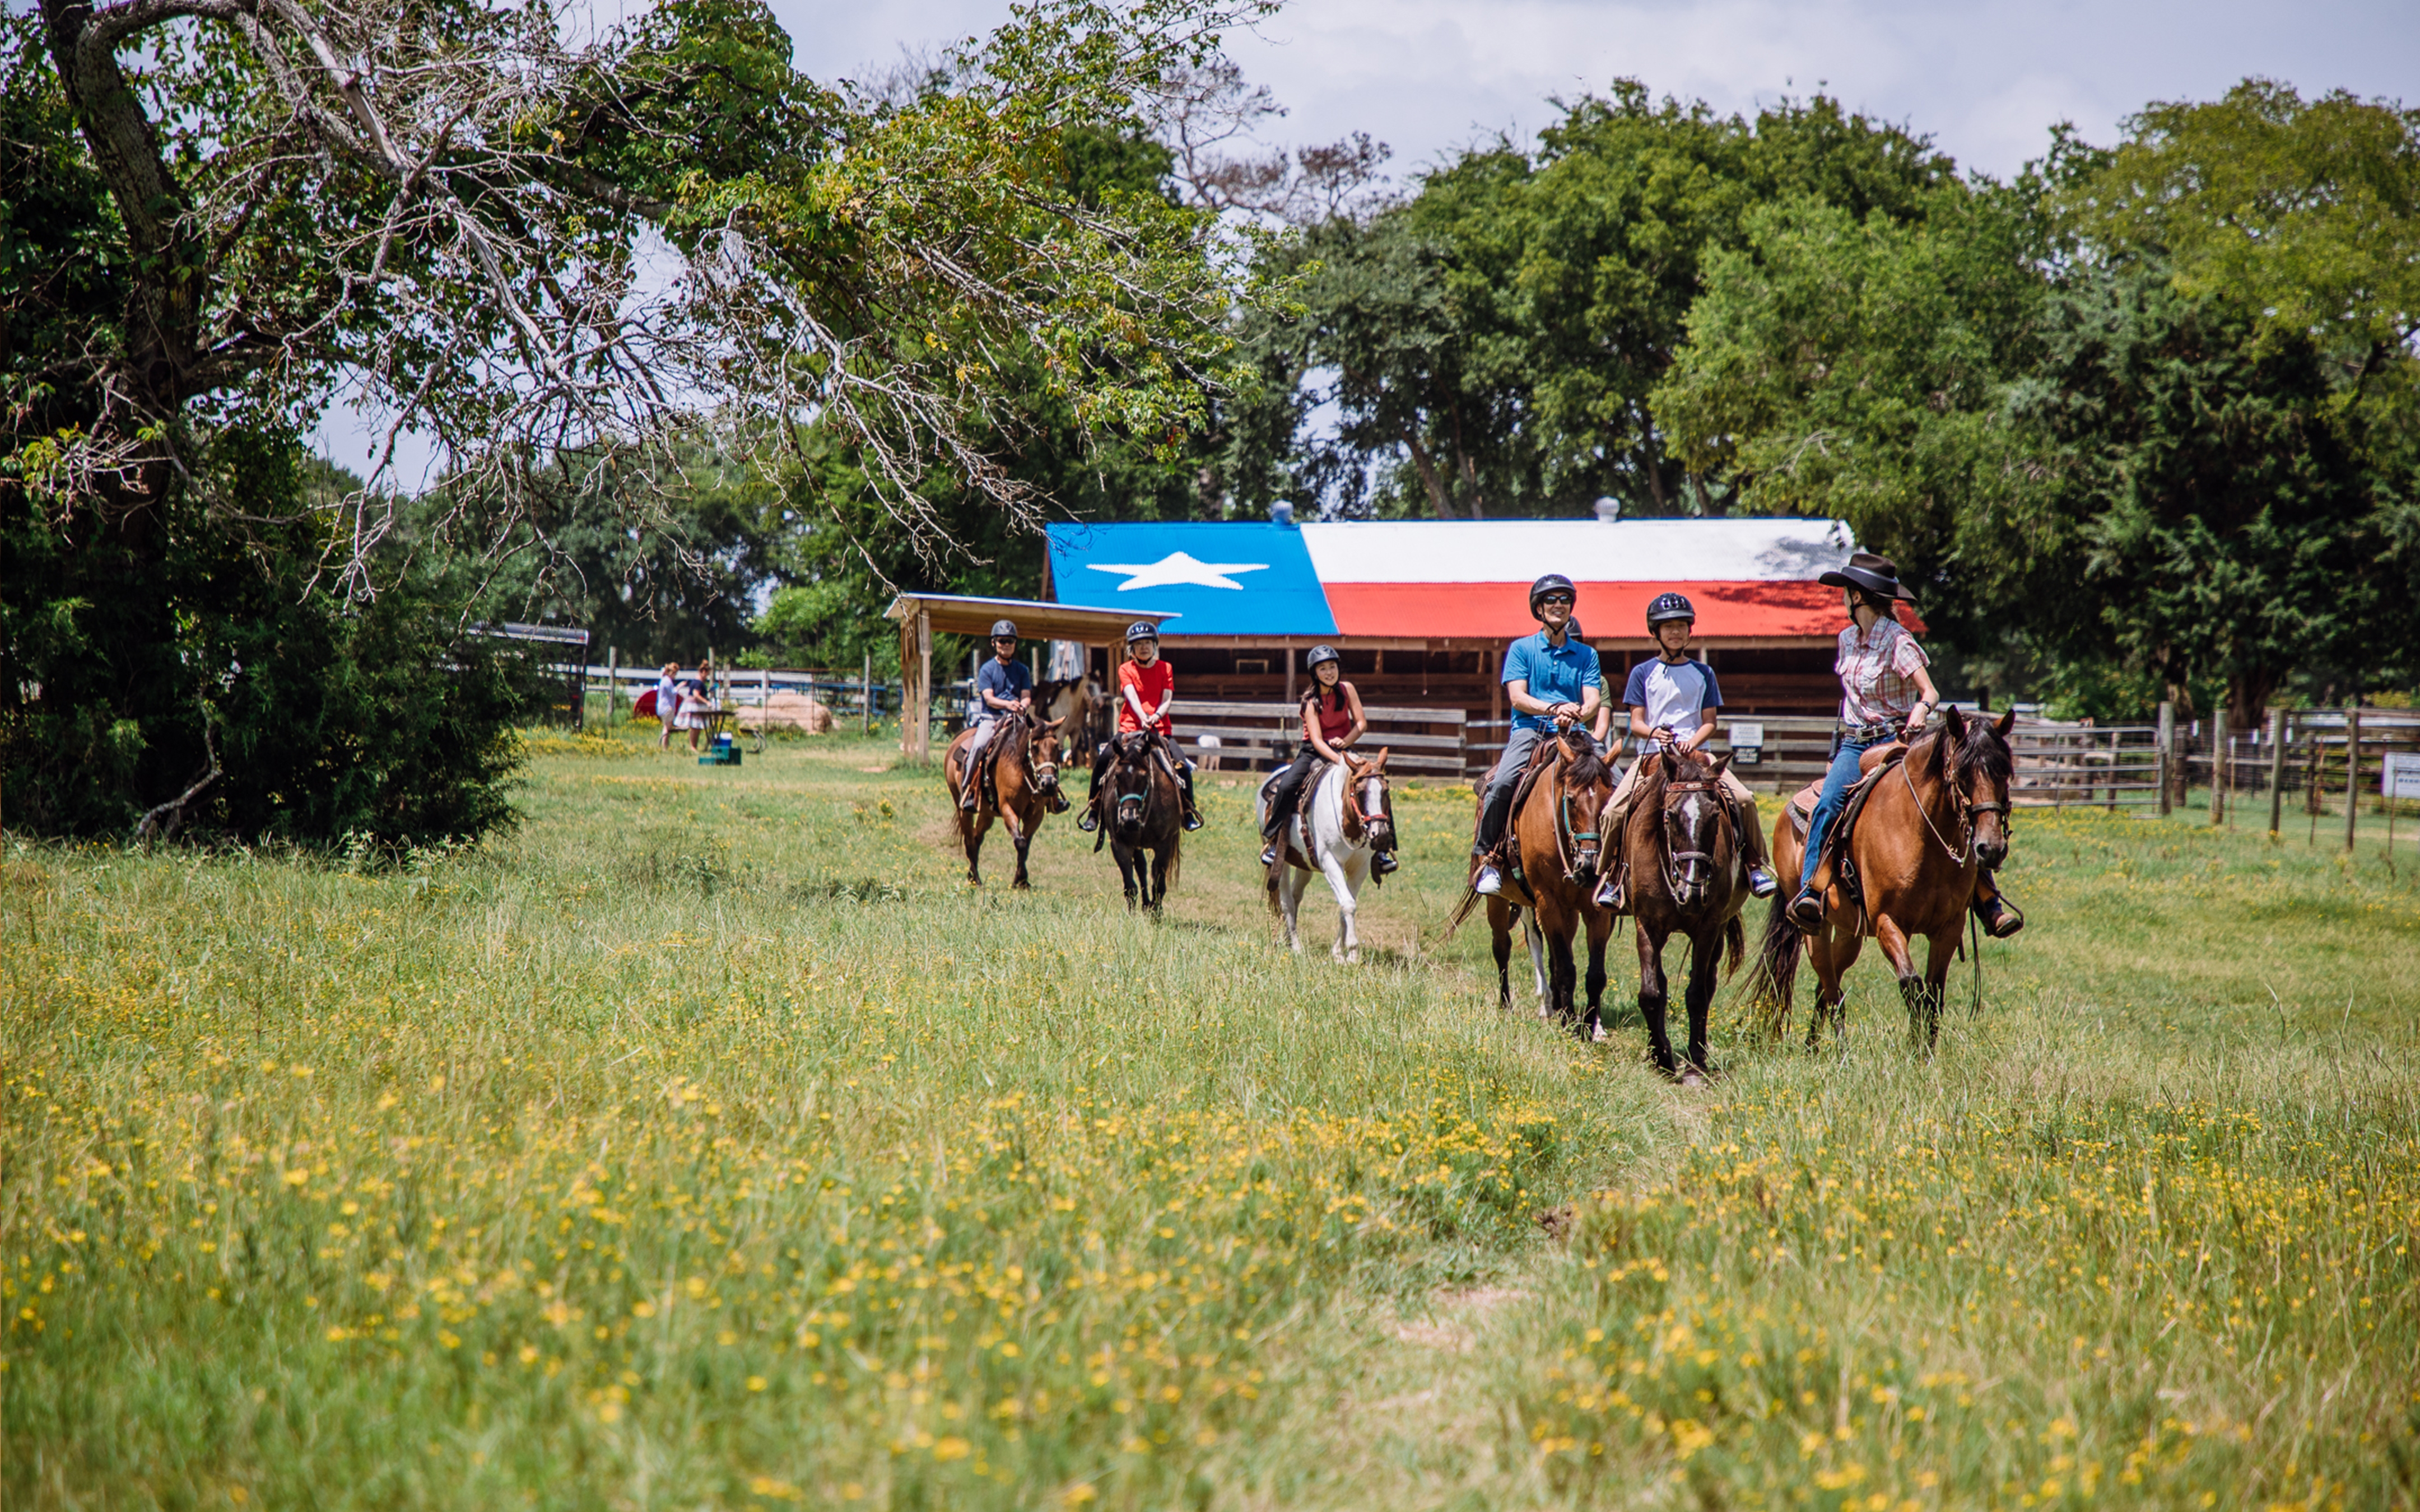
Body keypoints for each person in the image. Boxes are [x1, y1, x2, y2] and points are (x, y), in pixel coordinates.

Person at [1786, 553, 2020, 938]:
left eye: (1848, 592)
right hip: (1853, 743)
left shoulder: (1898, 641)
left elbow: (1929, 691)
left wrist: (1920, 711)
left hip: (1895, 740)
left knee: (1950, 801)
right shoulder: (1846, 640)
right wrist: (1835, 750)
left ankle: (1987, 897)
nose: (1844, 598)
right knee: (1828, 803)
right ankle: (1811, 889)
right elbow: (1849, 703)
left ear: (1859, 597)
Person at [1594, 593, 1779, 908]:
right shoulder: (1642, 673)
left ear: (1689, 631)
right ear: (1656, 632)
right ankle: (1611, 877)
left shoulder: (1704, 673)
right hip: (1653, 756)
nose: (1675, 632)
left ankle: (1754, 866)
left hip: (1699, 757)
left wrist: (1693, 741)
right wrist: (1658, 735)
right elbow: (1637, 722)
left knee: (1746, 800)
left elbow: (1710, 722)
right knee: (1613, 812)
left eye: (1681, 626)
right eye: (1668, 628)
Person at [1472, 575, 1603, 896]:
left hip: (1576, 732)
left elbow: (1594, 701)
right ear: (1539, 609)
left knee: (1616, 781)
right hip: (1530, 730)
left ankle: (1617, 864)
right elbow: (1518, 698)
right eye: (1551, 600)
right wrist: (1553, 708)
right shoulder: (1521, 649)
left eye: (1564, 600)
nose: (1558, 605)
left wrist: (1577, 714)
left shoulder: (1587, 655)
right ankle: (1489, 858)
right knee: (1502, 782)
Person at [1259, 646, 1399, 875]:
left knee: (1376, 786)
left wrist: (1345, 743)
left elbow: (1361, 724)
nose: (1329, 672)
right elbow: (1316, 740)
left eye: (1332, 667)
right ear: (1315, 673)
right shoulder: (1310, 701)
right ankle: (1273, 841)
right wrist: (1339, 760)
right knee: (1286, 786)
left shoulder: (1348, 689)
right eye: (1323, 669)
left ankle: (1384, 848)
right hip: (1314, 752)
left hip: (1344, 748)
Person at [1079, 622, 1204, 832]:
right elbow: (1131, 695)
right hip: (1130, 727)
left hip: (1160, 729)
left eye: (1148, 643)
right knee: (1103, 760)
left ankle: (1188, 811)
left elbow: (1167, 698)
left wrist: (1155, 716)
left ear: (1154, 645)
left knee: (1182, 764)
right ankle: (1094, 808)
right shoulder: (1125, 669)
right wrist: (1142, 716)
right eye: (1139, 644)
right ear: (1132, 649)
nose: (1144, 647)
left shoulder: (1166, 668)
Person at [959, 620, 1035, 811]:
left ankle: (1052, 795)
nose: (1006, 644)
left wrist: (1022, 707)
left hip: (1016, 719)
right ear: (994, 643)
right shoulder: (987, 669)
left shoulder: (1022, 670)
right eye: (1002, 641)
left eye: (1010, 641)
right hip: (992, 718)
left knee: (1041, 743)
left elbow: (1026, 696)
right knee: (978, 746)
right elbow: (989, 698)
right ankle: (968, 790)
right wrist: (1008, 704)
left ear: (1015, 643)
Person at [655, 662, 680, 752]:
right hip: (667, 708)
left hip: (663, 707)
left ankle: (665, 746)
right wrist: (680, 686)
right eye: (675, 674)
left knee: (667, 727)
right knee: (667, 728)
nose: (675, 676)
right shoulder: (667, 681)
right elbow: (673, 692)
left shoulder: (664, 680)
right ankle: (665, 747)